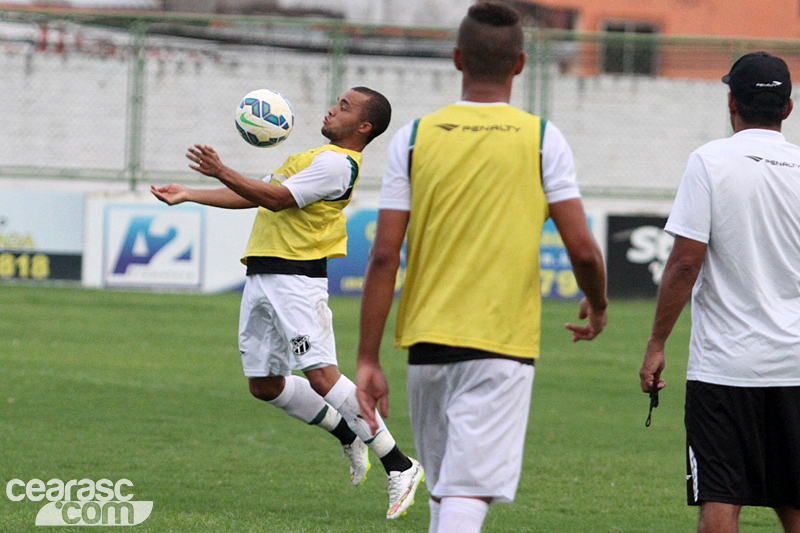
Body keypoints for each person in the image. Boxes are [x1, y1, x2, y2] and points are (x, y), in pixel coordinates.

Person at [354, 4, 608, 532]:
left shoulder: (414, 137)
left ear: (457, 58)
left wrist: (367, 357)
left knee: (446, 490)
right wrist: (598, 303)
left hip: (426, 344)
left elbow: (383, 254)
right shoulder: (541, 138)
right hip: (501, 345)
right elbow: (583, 251)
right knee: (466, 492)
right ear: (521, 64)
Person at [151, 86, 423, 520]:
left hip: (297, 281)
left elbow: (276, 200)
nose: (332, 110)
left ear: (364, 126)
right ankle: (347, 433)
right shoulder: (314, 157)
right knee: (265, 385)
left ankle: (400, 464)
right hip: (262, 275)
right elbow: (259, 194)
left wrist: (221, 170)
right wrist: (190, 193)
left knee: (323, 377)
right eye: (336, 102)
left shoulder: (338, 164)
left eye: (344, 107)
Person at [640, 52, 800, 533]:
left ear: (732, 103)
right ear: (788, 108)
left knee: (720, 497)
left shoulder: (709, 161)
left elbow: (685, 262)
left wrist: (656, 344)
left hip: (725, 368)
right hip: (794, 365)